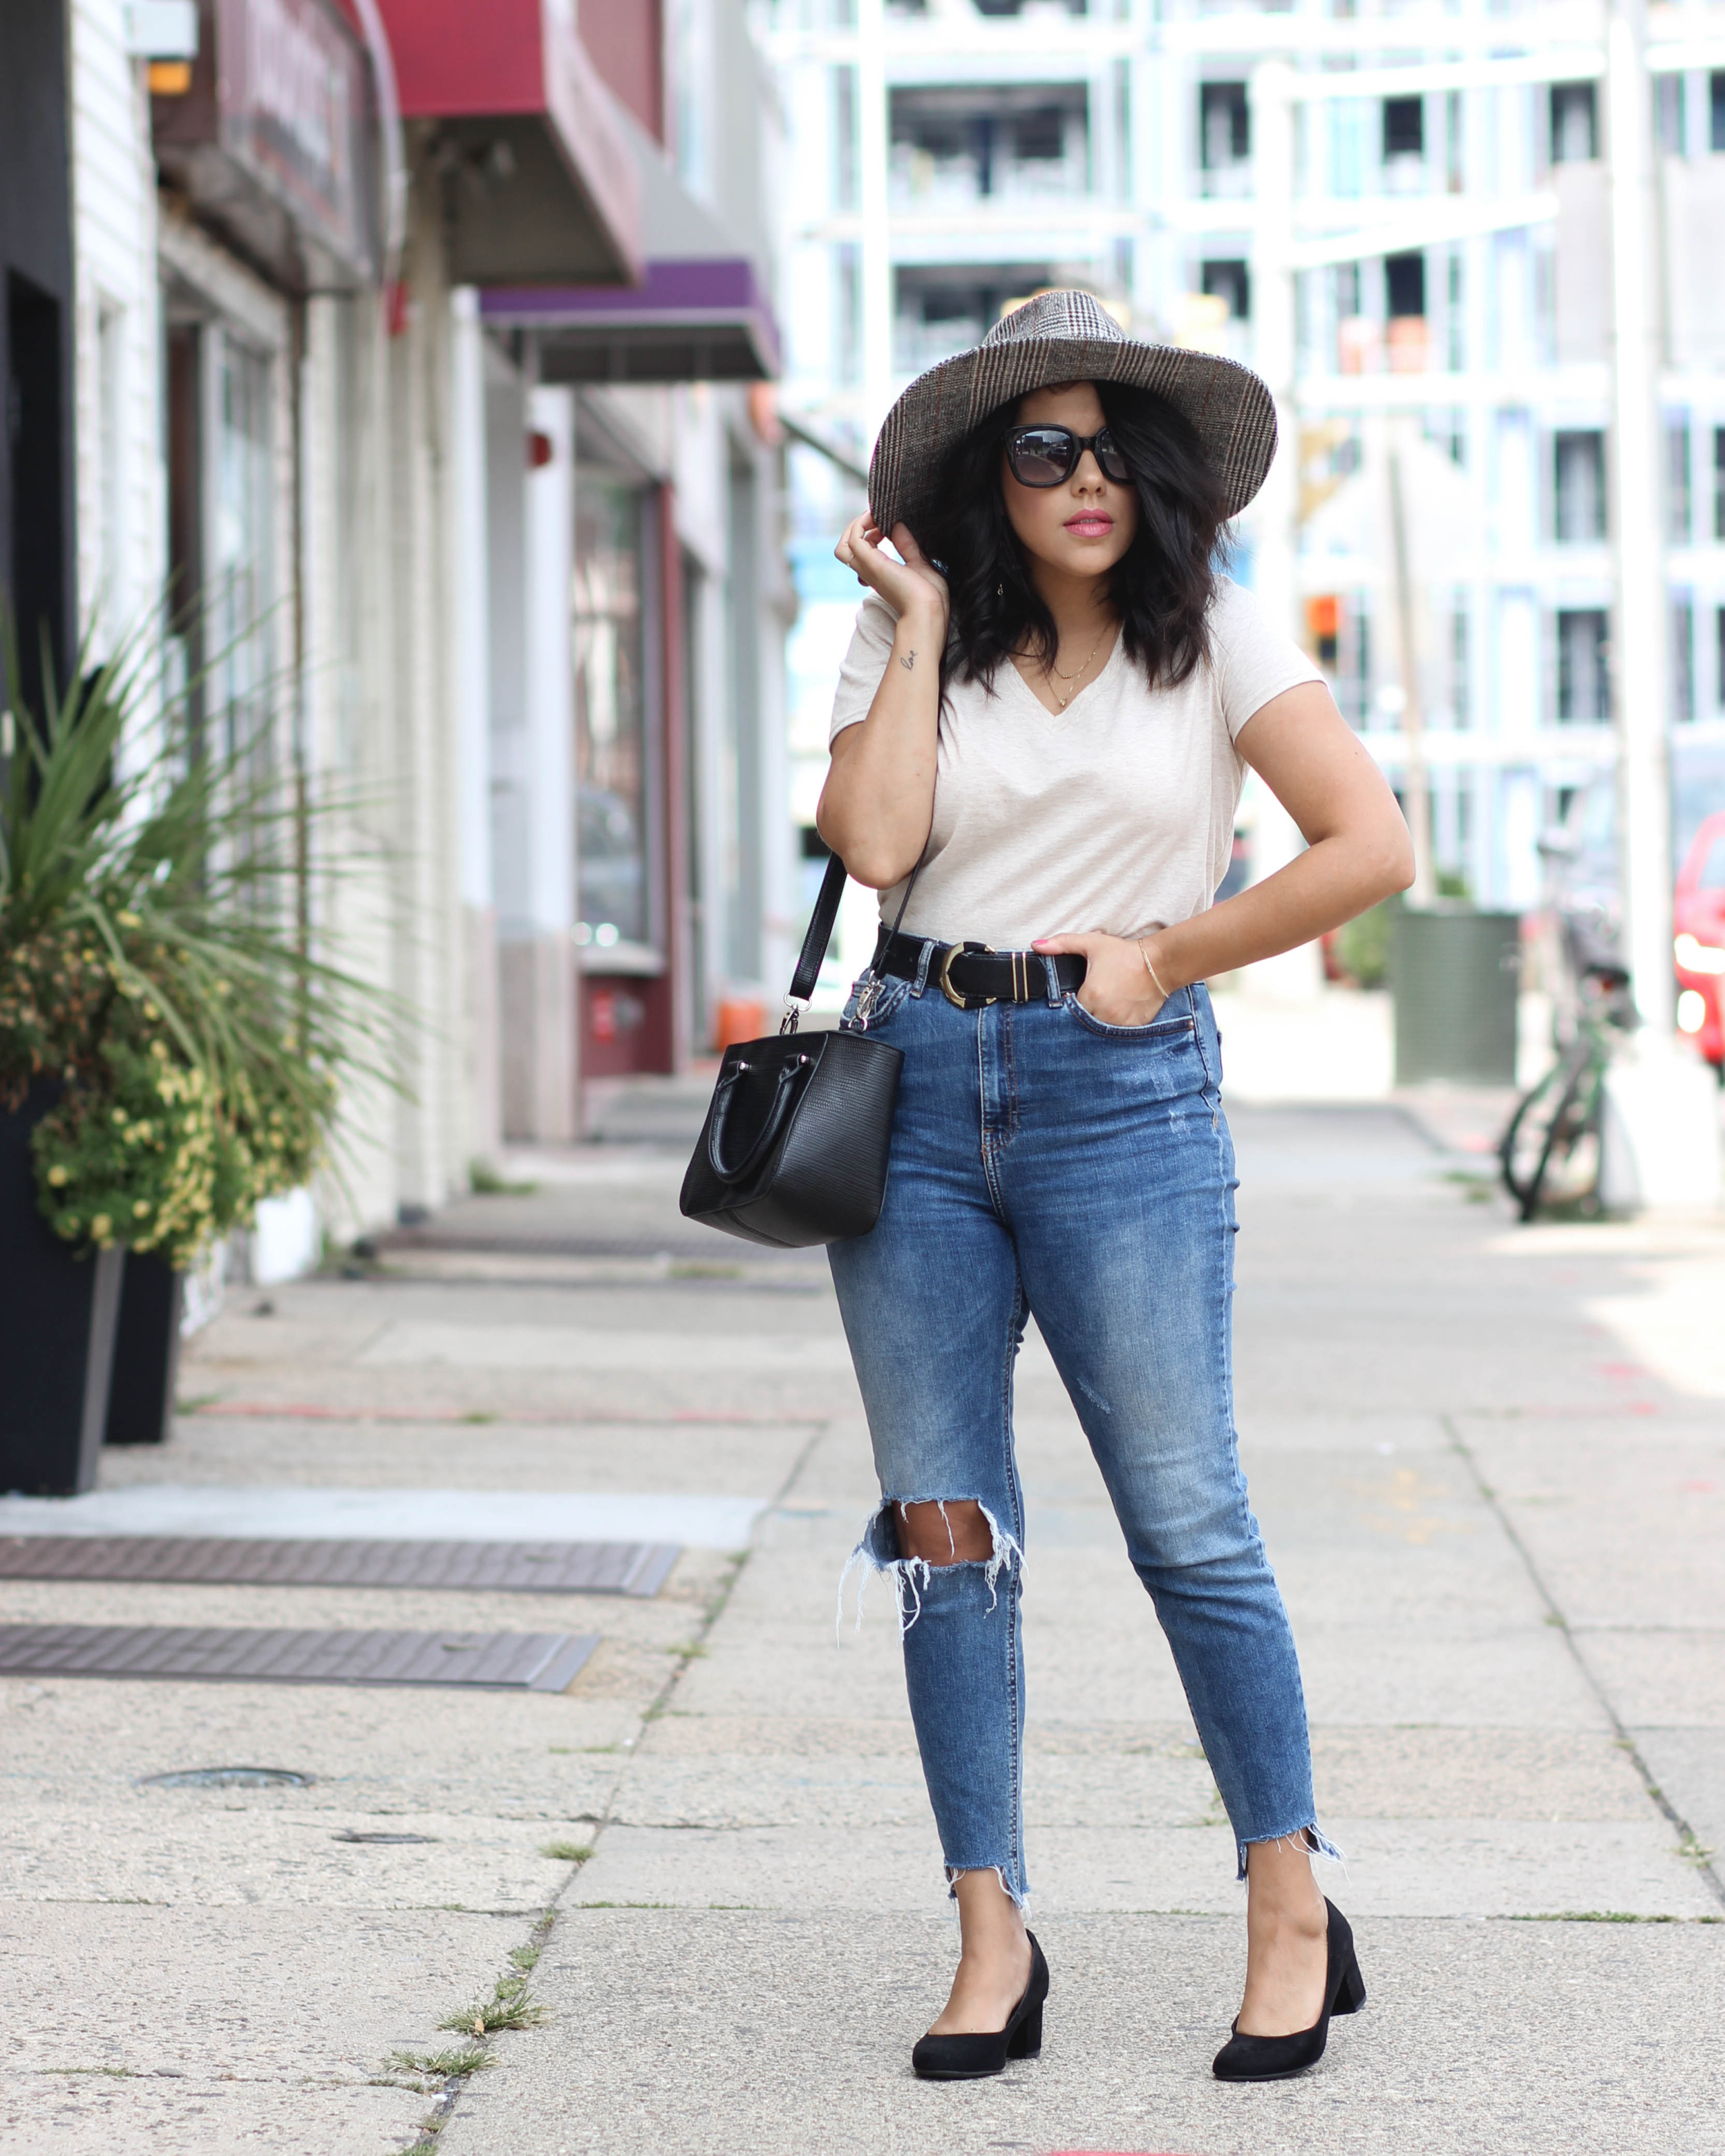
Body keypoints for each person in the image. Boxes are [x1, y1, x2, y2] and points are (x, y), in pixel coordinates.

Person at [816, 289, 1411, 2084]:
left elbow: (1371, 843)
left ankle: (1291, 1903)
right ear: (988, 482)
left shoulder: (1214, 638)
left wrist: (1168, 953)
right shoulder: (908, 635)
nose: (1078, 480)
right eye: (1036, 450)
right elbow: (876, 845)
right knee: (944, 1530)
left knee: (1186, 1519)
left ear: (1154, 475)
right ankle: (992, 1932)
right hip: (908, 1086)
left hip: (1119, 1092)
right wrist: (915, 625)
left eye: (1106, 449)